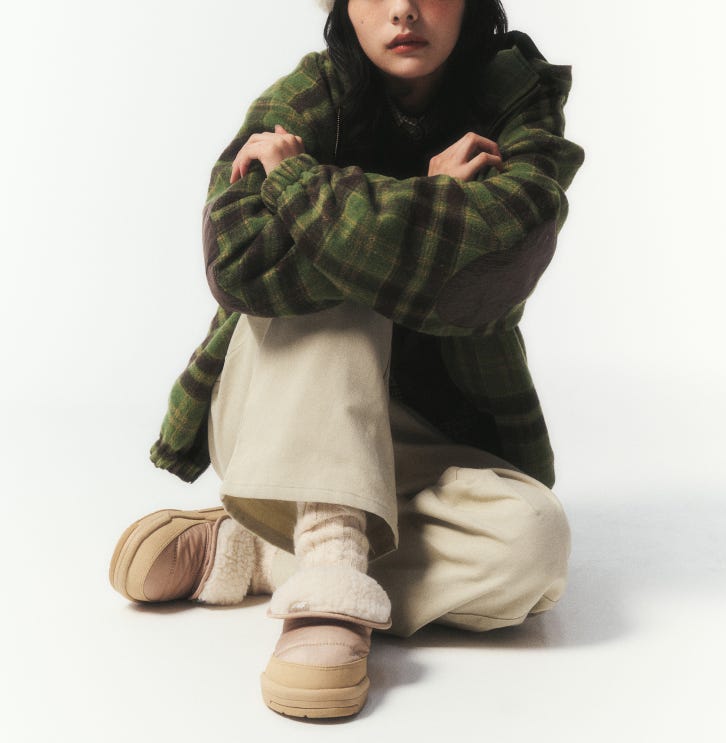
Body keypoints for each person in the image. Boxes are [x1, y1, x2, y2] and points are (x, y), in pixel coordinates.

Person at [109, 0, 585, 720]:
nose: (403, 10)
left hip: (423, 438)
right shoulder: (303, 98)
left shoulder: (519, 105)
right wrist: (429, 203)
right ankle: (328, 584)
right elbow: (238, 263)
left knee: (532, 548)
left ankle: (256, 548)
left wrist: (304, 186)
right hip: (280, 408)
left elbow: (501, 260)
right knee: (343, 297)